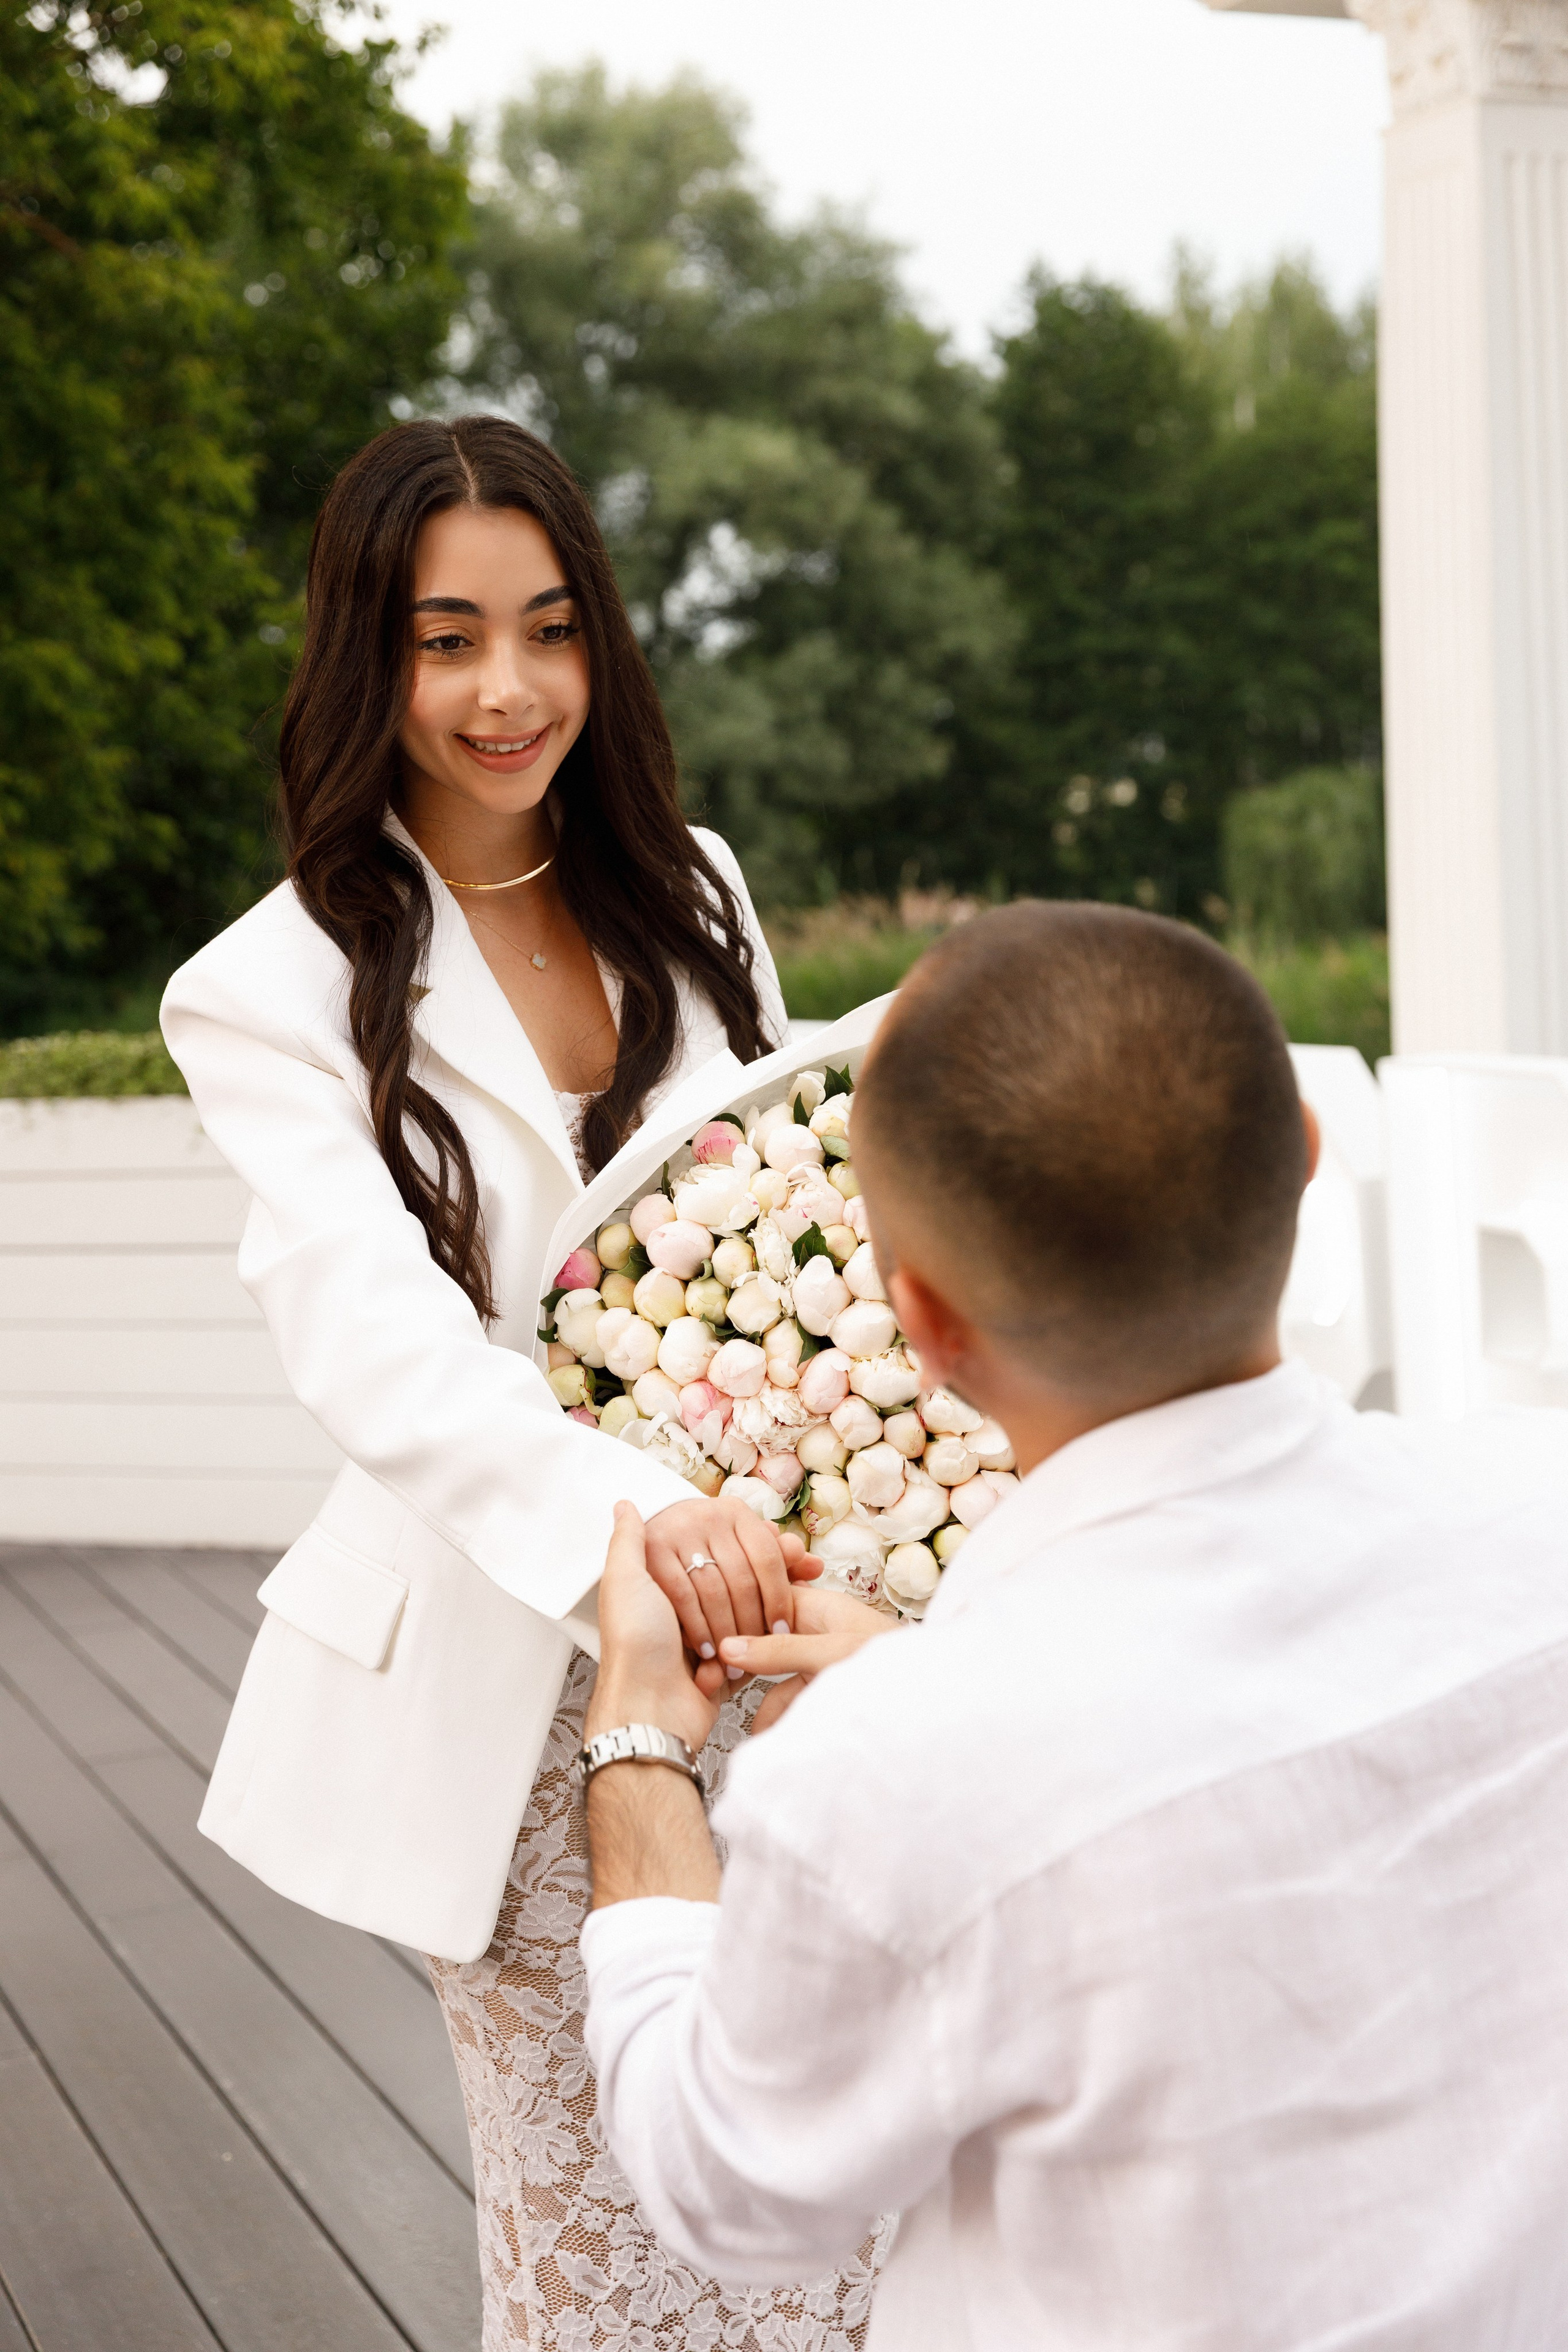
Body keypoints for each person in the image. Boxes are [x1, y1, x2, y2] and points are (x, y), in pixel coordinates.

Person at [576, 899, 1568, 2350]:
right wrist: (933, 1679)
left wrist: (637, 1751)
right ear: (1302, 1156)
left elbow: (726, 2188)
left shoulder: (893, 1773)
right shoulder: (1534, 1509)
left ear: (919, 1320)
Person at [160, 415, 883, 2351]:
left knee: (841, 2224)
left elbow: (791, 1231)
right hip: (518, 1667)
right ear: (365, 660)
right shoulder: (268, 985)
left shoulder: (697, 888)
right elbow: (377, 1353)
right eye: (445, 636)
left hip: (785, 1640)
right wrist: (648, 1530)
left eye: (550, 630)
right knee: (617, 2258)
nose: (507, 690)